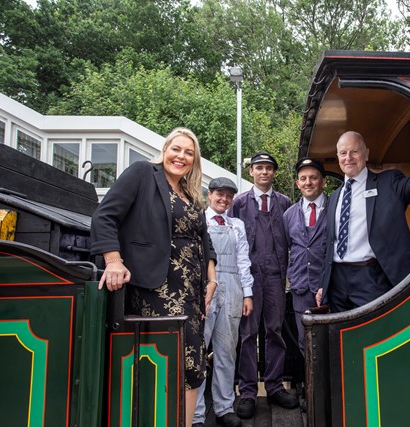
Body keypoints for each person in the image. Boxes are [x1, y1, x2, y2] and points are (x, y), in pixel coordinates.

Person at [90, 127, 217, 426]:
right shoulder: (142, 174)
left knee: (191, 368)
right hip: (154, 289)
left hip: (191, 295)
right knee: (161, 364)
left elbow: (203, 240)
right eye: (177, 148)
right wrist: (113, 260)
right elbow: (104, 215)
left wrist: (211, 280)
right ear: (165, 150)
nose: (181, 156)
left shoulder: (190, 193)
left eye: (189, 152)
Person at [317, 122, 410, 312]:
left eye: (354, 152)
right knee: (341, 336)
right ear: (338, 157)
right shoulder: (335, 196)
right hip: (337, 281)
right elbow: (329, 244)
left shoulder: (389, 183)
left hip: (371, 277)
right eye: (343, 153)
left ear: (366, 154)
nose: (348, 158)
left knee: (374, 334)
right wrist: (323, 283)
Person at [231, 151, 298, 419]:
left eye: (269, 168)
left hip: (275, 276)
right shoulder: (238, 203)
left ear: (274, 173)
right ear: (251, 172)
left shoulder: (285, 203)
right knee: (248, 333)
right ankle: (247, 391)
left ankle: (273, 386)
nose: (264, 172)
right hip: (248, 277)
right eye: (259, 168)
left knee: (275, 331)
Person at [192, 177, 254, 427]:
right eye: (219, 194)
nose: (224, 200)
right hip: (204, 288)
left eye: (229, 196)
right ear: (210, 195)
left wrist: (247, 293)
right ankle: (195, 414)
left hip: (232, 287)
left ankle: (224, 407)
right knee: (197, 350)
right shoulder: (199, 221)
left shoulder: (237, 225)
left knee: (227, 350)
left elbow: (243, 260)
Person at [283, 157, 327, 355]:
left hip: (329, 288)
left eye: (313, 178)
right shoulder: (289, 215)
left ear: (323, 181)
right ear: (297, 183)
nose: (308, 182)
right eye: (303, 178)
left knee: (329, 340)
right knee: (305, 342)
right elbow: (285, 249)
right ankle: (312, 386)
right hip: (301, 290)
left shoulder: (335, 208)